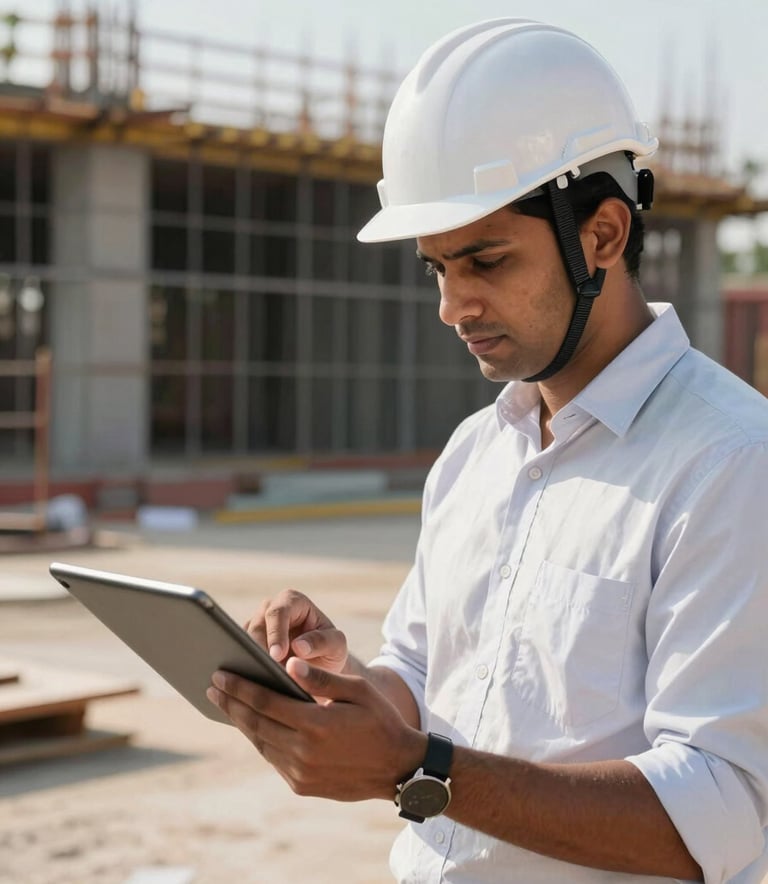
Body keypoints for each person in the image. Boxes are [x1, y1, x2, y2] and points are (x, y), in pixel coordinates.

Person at [206, 19, 768, 883]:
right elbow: (425, 677)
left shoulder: (730, 464)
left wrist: (416, 770)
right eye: (437, 268)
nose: (453, 305)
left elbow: (720, 811)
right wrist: (342, 682)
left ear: (603, 236)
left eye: (486, 261)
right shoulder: (476, 454)